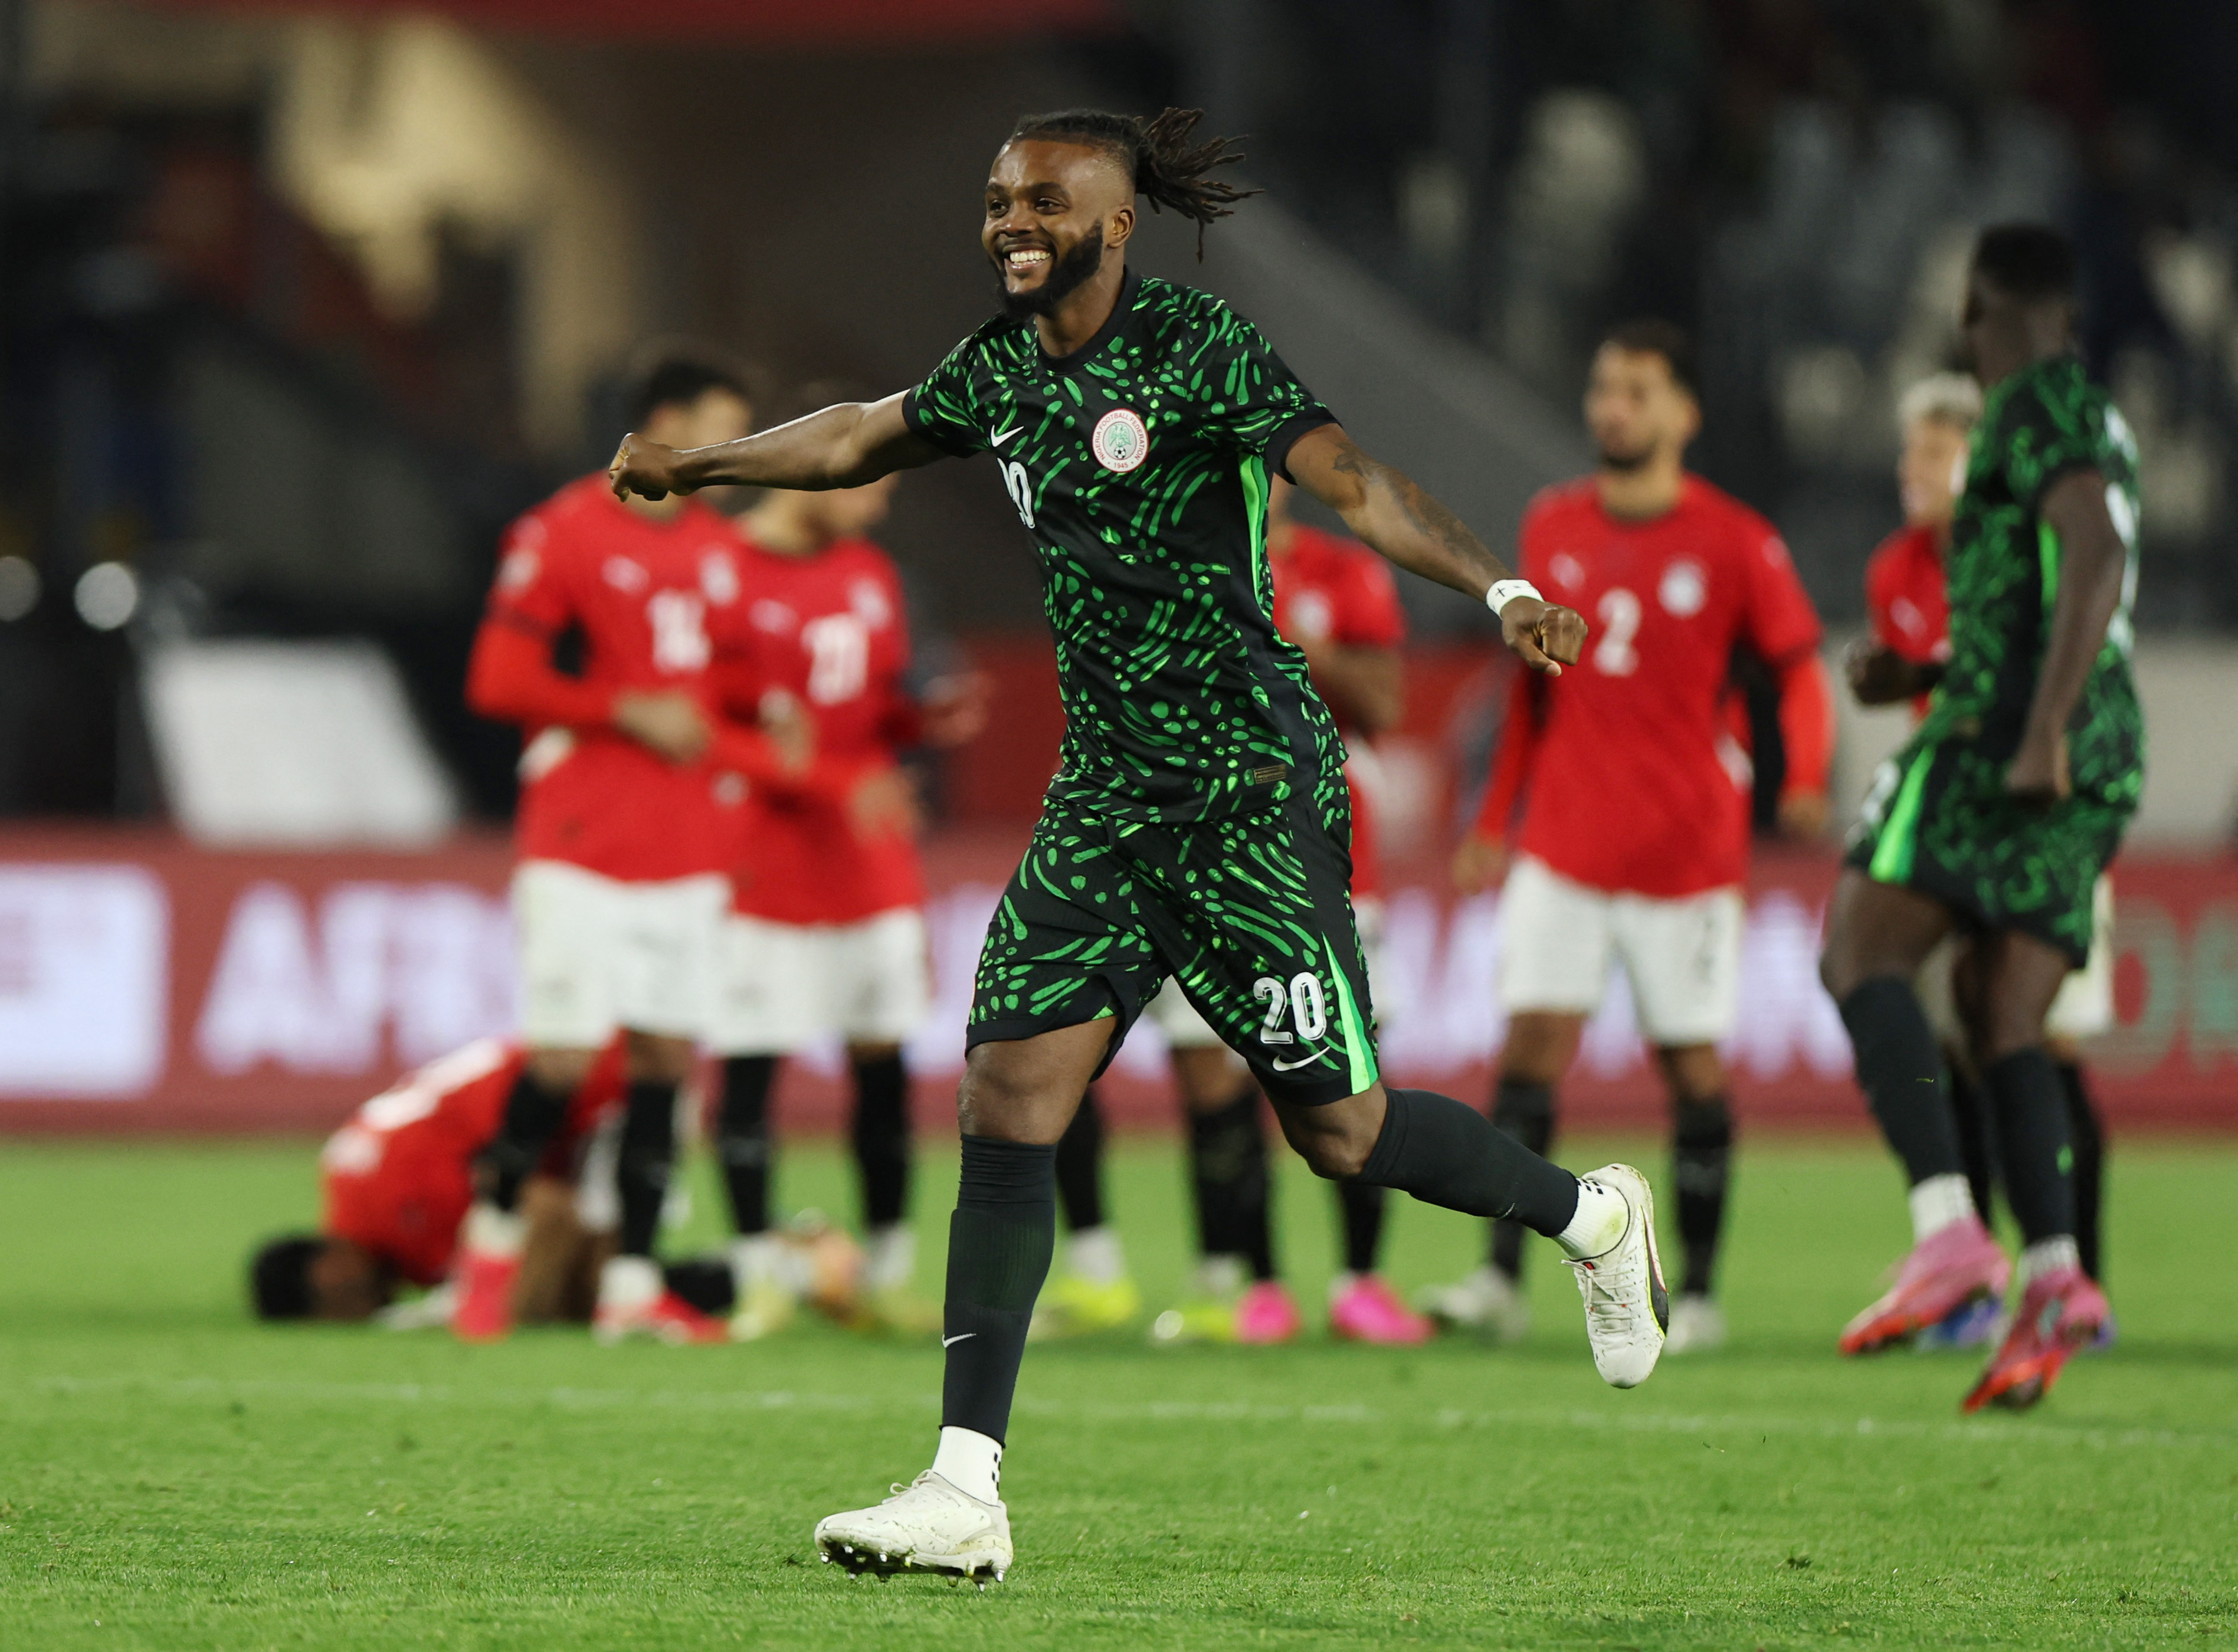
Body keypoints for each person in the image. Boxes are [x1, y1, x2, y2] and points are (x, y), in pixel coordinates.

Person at [610, 105, 1670, 1584]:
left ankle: (1591, 1215)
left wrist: (1496, 594)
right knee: (1008, 1096)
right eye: (995, 199)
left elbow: (1356, 482)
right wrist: (705, 465)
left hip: (1245, 789)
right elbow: (858, 436)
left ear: (1115, 224)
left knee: (1342, 1135)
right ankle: (964, 1486)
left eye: (1043, 199)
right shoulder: (996, 370)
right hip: (1106, 796)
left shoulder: (1198, 348)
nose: (1009, 222)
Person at [1419, 319, 1833, 1356]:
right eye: (1605, 388)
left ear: (1682, 414)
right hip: (1562, 843)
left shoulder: (1736, 540)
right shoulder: (1553, 523)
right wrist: (1492, 819)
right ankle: (1499, 1282)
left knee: (1691, 1065)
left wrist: (1810, 773)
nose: (1614, 408)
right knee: (1529, 1055)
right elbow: (1530, 697)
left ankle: (1695, 1292)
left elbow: (1797, 667)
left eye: (1638, 392)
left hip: (1686, 854)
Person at [1825, 224, 2138, 1412]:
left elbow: (2094, 551)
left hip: (2016, 735)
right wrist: (1926, 677)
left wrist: (2040, 723)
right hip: (2094, 742)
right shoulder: (2099, 414)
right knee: (1996, 1002)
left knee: (1860, 945)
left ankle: (1950, 1232)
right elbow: (2062, 575)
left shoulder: (2025, 406)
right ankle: (2057, 1275)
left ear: (1981, 307)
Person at [465, 350, 797, 1343]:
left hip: (686, 845)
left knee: (663, 1060)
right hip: (579, 837)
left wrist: (772, 732)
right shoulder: (563, 530)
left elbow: (723, 697)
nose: (730, 455)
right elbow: (497, 678)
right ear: (661, 426)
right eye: (718, 430)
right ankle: (487, 1251)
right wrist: (622, 710)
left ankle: (632, 1286)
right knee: (563, 1058)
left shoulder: (718, 551)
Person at [1846, 373, 2113, 1332]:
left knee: (2041, 1037)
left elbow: (2040, 669)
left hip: (2040, 802)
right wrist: (1899, 681)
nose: (1909, 470)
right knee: (1965, 1033)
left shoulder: (2026, 549)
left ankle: (2074, 1268)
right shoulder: (1896, 567)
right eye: (1907, 451)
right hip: (1957, 814)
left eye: (1931, 451)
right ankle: (2014, 1282)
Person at [1144, 473, 1430, 1347]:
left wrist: (1289, 640)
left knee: (1345, 1067)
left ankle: (1361, 1282)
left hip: (1323, 860)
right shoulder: (1162, 571)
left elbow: (1384, 702)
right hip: (1202, 856)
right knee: (1208, 1071)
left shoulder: (1344, 576)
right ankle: (1252, 1284)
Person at [710, 451, 990, 1339]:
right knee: (751, 1063)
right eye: (871, 483)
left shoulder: (871, 576)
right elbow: (703, 724)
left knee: (883, 1063)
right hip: (761, 861)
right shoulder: (720, 570)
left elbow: (875, 712)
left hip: (868, 858)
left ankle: (883, 1272)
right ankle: (760, 1276)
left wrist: (923, 722)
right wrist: (830, 781)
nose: (879, 503)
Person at [247, 1039, 852, 1331]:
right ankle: (789, 1263)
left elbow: (535, 1202)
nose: (368, 1309)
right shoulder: (355, 1188)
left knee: (571, 1284)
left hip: (619, 1089)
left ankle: (790, 1263)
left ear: (327, 1273)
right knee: (571, 1289)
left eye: (340, 1311)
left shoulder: (388, 1205)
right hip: (586, 1087)